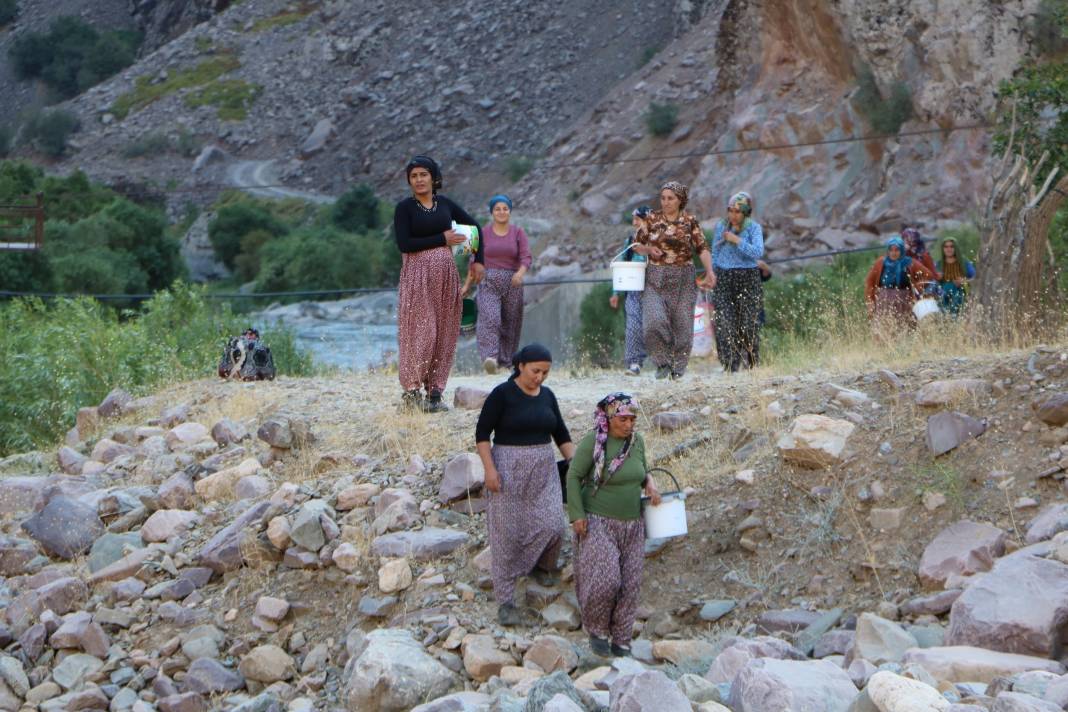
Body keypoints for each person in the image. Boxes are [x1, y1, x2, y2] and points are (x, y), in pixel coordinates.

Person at [475, 343, 576, 626]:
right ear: (521, 366)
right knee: (506, 534)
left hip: (543, 470)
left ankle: (543, 567)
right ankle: (506, 601)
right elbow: (482, 433)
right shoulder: (502, 395)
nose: (540, 377)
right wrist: (489, 469)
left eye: (545, 372)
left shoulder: (547, 396)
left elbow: (561, 432)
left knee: (553, 522)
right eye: (536, 371)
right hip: (508, 469)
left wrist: (576, 464)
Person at [567, 392, 660, 657]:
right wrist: (577, 515)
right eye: (623, 419)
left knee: (630, 584)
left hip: (633, 524)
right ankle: (597, 629)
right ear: (609, 417)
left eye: (632, 419)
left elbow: (642, 471)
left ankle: (621, 639)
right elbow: (573, 476)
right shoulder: (593, 442)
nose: (629, 424)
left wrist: (650, 483)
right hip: (599, 521)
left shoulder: (637, 442)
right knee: (606, 580)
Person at [394, 155, 485, 413]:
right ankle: (412, 393)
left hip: (445, 276)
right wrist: (441, 238)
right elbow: (405, 243)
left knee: (444, 333)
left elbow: (475, 225)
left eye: (423, 175)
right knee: (422, 332)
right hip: (417, 276)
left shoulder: (444, 204)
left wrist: (479, 259)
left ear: (434, 178)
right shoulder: (405, 208)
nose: (419, 180)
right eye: (414, 176)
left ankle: (435, 393)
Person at [632, 182, 714, 379]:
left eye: (671, 198)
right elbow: (637, 245)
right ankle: (662, 362)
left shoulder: (690, 221)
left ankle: (677, 369)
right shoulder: (651, 220)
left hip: (683, 278)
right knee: (653, 322)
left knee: (683, 325)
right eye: (663, 198)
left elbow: (701, 247)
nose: (666, 202)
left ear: (680, 200)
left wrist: (710, 271)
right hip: (655, 277)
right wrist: (649, 249)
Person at [710, 192, 766, 372]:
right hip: (723, 277)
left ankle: (751, 364)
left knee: (748, 323)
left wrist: (737, 241)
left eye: (738, 211)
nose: (733, 215)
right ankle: (729, 366)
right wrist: (711, 273)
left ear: (746, 212)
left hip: (748, 277)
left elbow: (758, 252)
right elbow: (715, 253)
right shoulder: (721, 226)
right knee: (725, 322)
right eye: (730, 211)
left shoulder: (753, 228)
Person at [477, 194, 532, 374]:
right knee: (491, 319)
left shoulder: (518, 232)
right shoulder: (482, 233)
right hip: (488, 281)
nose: (501, 212)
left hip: (513, 282)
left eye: (505, 209)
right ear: (492, 212)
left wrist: (520, 273)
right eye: (497, 209)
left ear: (510, 211)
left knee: (510, 323)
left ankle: (506, 362)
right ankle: (490, 358)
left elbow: (526, 257)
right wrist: (468, 282)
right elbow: (474, 258)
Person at [609, 206, 651, 376]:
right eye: (634, 220)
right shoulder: (631, 241)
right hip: (633, 291)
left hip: (653, 290)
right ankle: (634, 362)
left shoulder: (658, 240)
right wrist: (616, 292)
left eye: (638, 219)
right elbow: (622, 266)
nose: (634, 223)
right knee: (633, 325)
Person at [864, 236, 936, 328]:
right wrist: (870, 301)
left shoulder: (909, 262)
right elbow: (870, 282)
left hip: (904, 301)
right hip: (884, 301)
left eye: (897, 250)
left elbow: (928, 275)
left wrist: (917, 288)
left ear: (901, 250)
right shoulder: (881, 262)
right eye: (891, 250)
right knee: (884, 329)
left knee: (904, 328)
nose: (893, 253)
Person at [936, 238, 976, 316]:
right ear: (943, 249)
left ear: (956, 248)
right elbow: (932, 281)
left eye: (952, 246)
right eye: (946, 247)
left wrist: (964, 281)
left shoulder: (964, 263)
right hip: (943, 295)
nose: (949, 249)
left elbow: (976, 278)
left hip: (959, 294)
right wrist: (937, 278)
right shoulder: (938, 264)